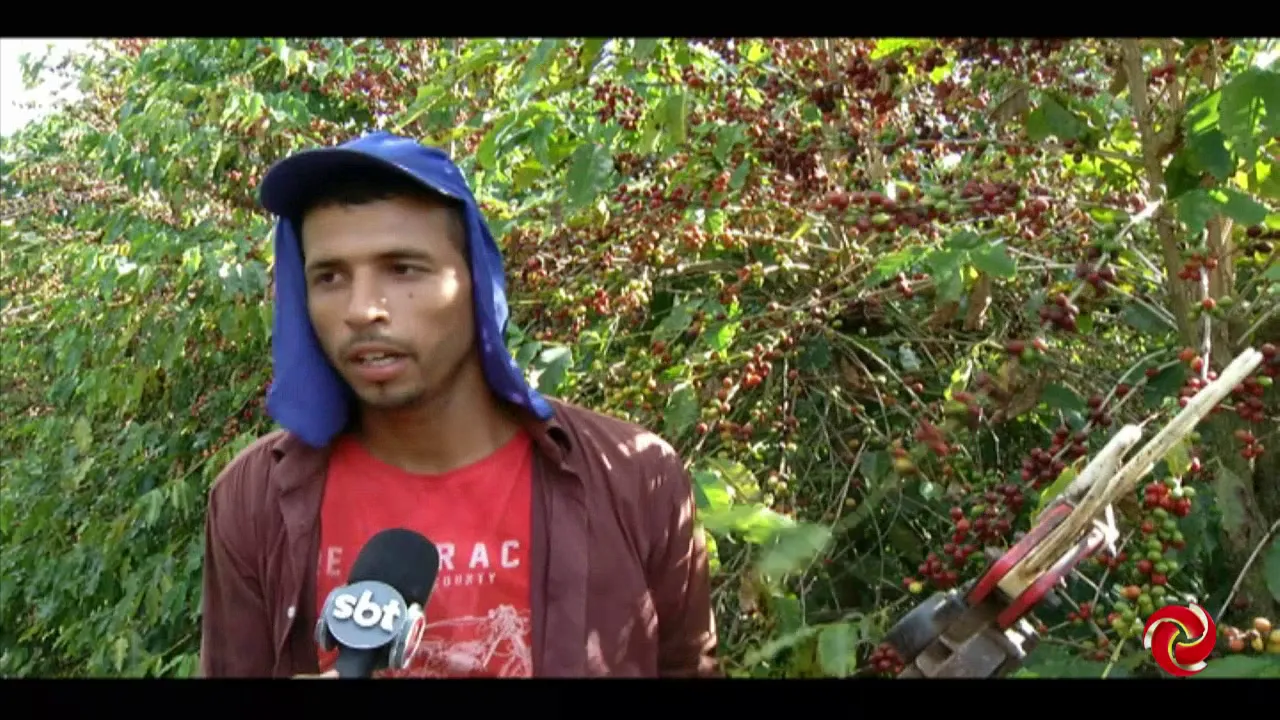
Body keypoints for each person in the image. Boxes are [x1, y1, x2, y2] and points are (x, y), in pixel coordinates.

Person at [197, 131, 719, 678]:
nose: (361, 309)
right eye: (329, 277)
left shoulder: (632, 478)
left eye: (403, 268)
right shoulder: (254, 500)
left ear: (477, 282)